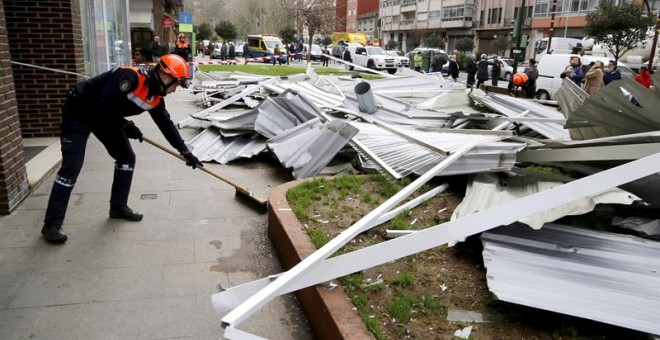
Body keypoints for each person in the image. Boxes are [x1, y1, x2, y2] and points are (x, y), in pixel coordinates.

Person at [40, 54, 203, 244]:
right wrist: (125, 125)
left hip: (105, 116)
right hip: (80, 110)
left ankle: (118, 207)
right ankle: (51, 224)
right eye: (176, 84)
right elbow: (103, 103)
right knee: (72, 165)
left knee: (126, 157)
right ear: (166, 76)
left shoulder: (156, 97)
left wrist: (185, 152)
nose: (176, 89)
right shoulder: (131, 77)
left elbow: (165, 125)